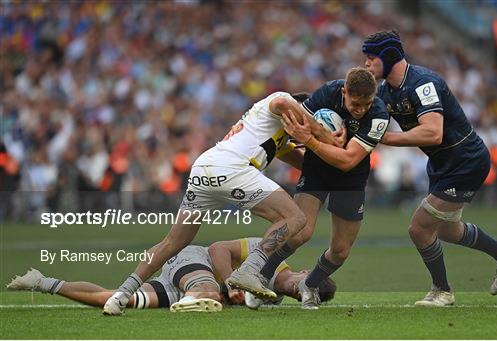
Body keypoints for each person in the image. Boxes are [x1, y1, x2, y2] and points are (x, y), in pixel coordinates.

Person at [103, 91, 339, 315]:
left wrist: (331, 157)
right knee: (296, 218)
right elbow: (283, 103)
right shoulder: (282, 101)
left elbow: (307, 166)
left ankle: (121, 295)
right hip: (230, 169)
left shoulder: (276, 137)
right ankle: (250, 271)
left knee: (172, 242)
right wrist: (323, 133)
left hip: (205, 168)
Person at [362, 30, 497, 306]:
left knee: (418, 228)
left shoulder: (422, 83)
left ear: (388, 58)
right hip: (442, 164)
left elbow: (433, 134)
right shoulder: (387, 91)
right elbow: (369, 124)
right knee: (447, 230)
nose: (366, 64)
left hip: (465, 161)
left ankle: (442, 290)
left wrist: (386, 138)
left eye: (370, 58)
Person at [256, 67, 390, 309]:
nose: (360, 110)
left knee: (340, 250)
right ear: (344, 92)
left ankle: (310, 283)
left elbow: (348, 160)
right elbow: (296, 125)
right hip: (317, 169)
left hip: (350, 177)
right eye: (355, 103)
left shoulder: (379, 115)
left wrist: (310, 139)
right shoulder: (327, 93)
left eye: (366, 104)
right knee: (300, 232)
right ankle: (260, 278)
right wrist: (315, 137)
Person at [7, 238, 336, 312]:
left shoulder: (273, 298)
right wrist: (231, 281)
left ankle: (41, 281)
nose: (300, 290)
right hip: (195, 260)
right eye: (306, 284)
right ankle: (198, 298)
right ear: (306, 271)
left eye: (306, 294)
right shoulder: (273, 256)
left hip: (191, 289)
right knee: (209, 293)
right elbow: (220, 247)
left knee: (121, 301)